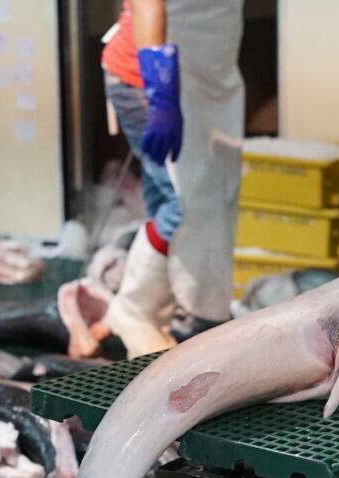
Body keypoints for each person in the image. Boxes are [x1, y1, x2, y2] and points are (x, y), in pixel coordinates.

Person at [98, 0, 245, 356]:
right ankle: (138, 312)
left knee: (209, 197)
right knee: (183, 205)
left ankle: (161, 315)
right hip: (152, 82)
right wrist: (161, 96)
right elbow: (148, 7)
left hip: (209, 81)